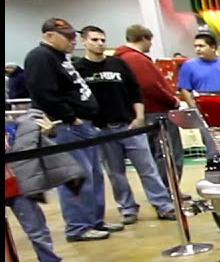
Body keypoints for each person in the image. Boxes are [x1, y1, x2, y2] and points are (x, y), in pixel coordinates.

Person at [22, 17, 120, 241]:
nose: (72, 40)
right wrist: (71, 117)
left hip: (83, 125)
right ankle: (78, 227)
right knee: (77, 177)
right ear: (49, 36)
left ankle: (95, 221)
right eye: (66, 36)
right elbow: (44, 94)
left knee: (94, 176)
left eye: (73, 36)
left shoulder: (60, 58)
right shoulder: (40, 57)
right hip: (67, 127)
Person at [75, 26, 176, 224]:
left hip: (128, 124)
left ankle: (163, 205)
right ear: (84, 42)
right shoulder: (79, 69)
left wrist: (138, 117)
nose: (100, 44)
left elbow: (135, 91)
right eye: (94, 40)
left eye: (102, 40)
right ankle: (127, 207)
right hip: (102, 129)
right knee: (115, 172)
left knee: (147, 168)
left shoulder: (118, 63)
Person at [114, 24, 187, 195]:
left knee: (155, 156)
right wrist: (173, 101)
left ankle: (164, 191)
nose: (151, 45)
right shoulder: (137, 59)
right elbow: (149, 86)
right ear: (144, 38)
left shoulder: (122, 58)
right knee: (168, 154)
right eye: (150, 40)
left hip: (143, 112)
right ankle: (168, 191)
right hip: (157, 111)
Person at [6, 111, 78, 262]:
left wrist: (44, 132)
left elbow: (33, 138)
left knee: (37, 230)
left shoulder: (13, 127)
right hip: (18, 185)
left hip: (19, 187)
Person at [177, 32, 220, 108]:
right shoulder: (188, 65)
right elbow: (185, 89)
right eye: (195, 46)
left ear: (213, 47)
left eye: (201, 46)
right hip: (205, 107)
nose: (197, 49)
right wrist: (194, 108)